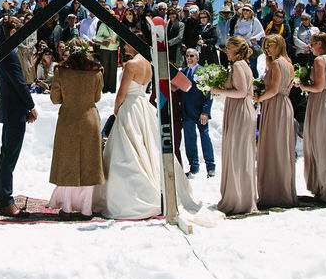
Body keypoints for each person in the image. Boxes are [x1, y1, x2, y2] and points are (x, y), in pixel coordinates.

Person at [92, 31, 198, 219]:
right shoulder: (148, 65)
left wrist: (117, 109)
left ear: (134, 44)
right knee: (149, 147)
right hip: (143, 105)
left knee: (128, 150)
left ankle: (133, 196)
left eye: (126, 43)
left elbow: (122, 92)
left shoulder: (131, 64)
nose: (124, 46)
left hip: (131, 106)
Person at [46, 38, 104, 219]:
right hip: (89, 118)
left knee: (67, 162)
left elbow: (55, 99)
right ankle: (86, 209)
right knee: (89, 163)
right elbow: (97, 97)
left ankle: (68, 207)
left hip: (68, 119)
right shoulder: (97, 72)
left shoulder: (61, 70)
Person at [0, 16, 38, 217]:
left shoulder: (1, 52)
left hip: (10, 109)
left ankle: (3, 198)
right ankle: (5, 200)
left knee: (6, 156)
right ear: (13, 33)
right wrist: (31, 106)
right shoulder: (9, 54)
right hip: (15, 110)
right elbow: (20, 84)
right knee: (9, 158)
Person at [210, 37, 257, 214]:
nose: (226, 51)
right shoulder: (244, 64)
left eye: (229, 48)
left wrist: (218, 90)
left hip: (239, 111)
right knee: (241, 154)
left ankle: (239, 200)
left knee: (237, 153)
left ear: (236, 49)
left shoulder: (238, 66)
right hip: (241, 109)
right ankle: (242, 196)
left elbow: (242, 92)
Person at [295, 33, 326, 204]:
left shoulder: (320, 61)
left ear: (320, 44)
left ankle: (324, 186)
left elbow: (319, 86)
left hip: (320, 102)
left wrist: (302, 85)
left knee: (319, 143)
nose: (310, 47)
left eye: (312, 43)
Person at [255, 34, 297, 208]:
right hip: (283, 104)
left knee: (274, 147)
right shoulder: (288, 63)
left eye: (270, 44)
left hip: (275, 105)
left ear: (279, 45)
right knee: (280, 146)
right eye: (265, 44)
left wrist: (258, 97)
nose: (267, 48)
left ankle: (275, 193)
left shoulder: (278, 63)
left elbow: (274, 89)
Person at [180, 48, 216, 179]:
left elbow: (209, 94)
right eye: (187, 56)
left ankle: (210, 167)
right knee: (189, 140)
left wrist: (205, 111)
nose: (189, 58)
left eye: (192, 56)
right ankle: (193, 166)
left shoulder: (204, 72)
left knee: (205, 138)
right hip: (187, 112)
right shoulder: (183, 72)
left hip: (200, 111)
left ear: (197, 58)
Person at [95, 10, 119, 94]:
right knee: (104, 68)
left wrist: (116, 42)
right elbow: (97, 37)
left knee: (113, 69)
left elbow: (119, 38)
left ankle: (112, 89)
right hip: (104, 48)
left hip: (114, 49)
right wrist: (105, 39)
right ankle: (103, 89)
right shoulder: (103, 25)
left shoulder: (117, 25)